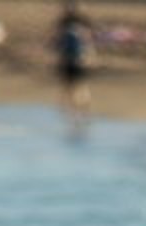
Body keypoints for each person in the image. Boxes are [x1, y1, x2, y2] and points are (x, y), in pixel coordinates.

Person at [53, 1, 94, 134]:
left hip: (75, 60)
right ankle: (75, 115)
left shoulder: (77, 21)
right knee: (71, 87)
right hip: (71, 59)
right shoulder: (67, 21)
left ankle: (78, 114)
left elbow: (87, 40)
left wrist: (89, 56)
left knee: (77, 87)